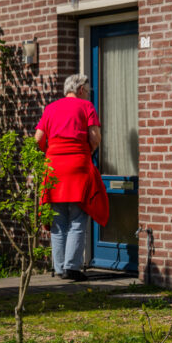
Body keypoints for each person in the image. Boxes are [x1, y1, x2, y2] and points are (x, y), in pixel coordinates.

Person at [35, 73, 109, 282]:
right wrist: (88, 150)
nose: (88, 94)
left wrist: (51, 153)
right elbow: (95, 137)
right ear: (81, 89)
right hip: (78, 165)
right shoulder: (86, 107)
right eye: (87, 90)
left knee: (58, 221)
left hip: (53, 167)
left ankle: (60, 268)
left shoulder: (50, 108)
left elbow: (38, 138)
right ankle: (72, 267)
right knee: (78, 217)